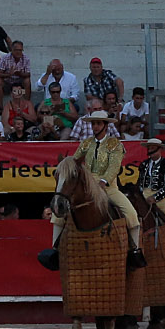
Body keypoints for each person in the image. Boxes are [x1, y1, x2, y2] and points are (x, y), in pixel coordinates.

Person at [48, 110, 142, 267]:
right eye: (93, 123)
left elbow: (114, 166)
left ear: (105, 125)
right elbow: (75, 162)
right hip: (89, 188)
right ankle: (54, 250)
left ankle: (135, 251)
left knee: (131, 214)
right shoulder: (86, 143)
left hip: (109, 188)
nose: (95, 126)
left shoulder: (114, 144)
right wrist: (66, 164)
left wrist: (104, 181)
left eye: (98, 123)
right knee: (58, 213)